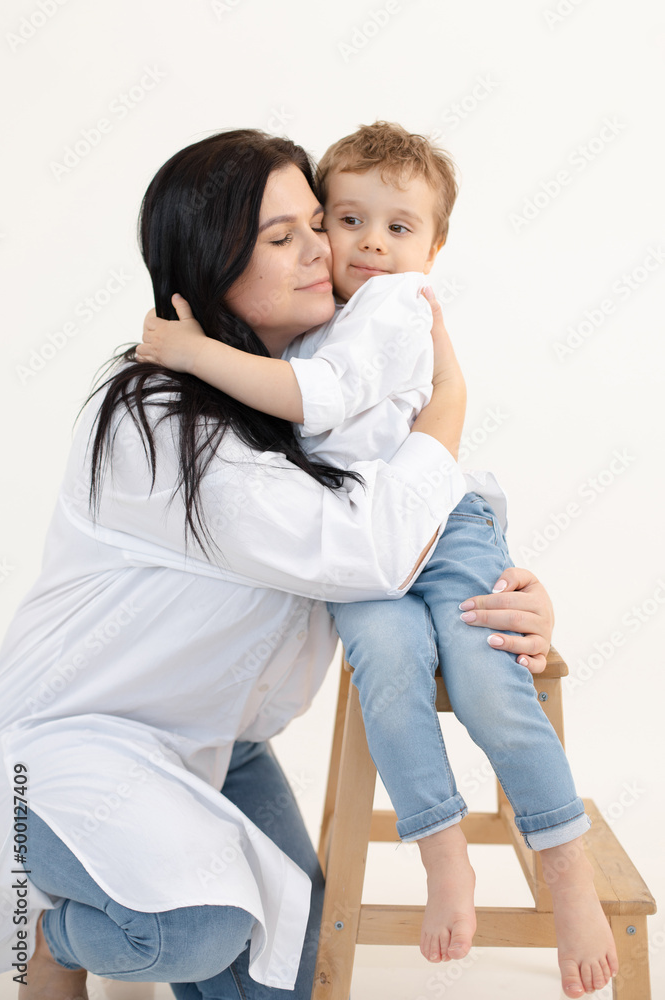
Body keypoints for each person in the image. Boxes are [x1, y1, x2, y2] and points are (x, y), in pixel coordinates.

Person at [0, 128, 556, 1000]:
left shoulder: (304, 390)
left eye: (314, 225)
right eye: (280, 236)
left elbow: (415, 517)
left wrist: (507, 592)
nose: (324, 251)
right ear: (210, 264)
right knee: (191, 933)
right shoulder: (159, 423)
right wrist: (448, 402)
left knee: (286, 983)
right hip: (75, 743)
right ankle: (50, 931)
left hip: (222, 744)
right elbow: (368, 547)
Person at [137, 122, 618, 998]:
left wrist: (189, 348)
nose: (364, 244)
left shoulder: (394, 308)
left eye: (399, 229)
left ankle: (562, 860)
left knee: (482, 673)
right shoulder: (314, 324)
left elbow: (321, 408)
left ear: (435, 248)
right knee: (388, 665)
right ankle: (440, 854)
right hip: (366, 550)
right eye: (345, 219)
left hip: (437, 528)